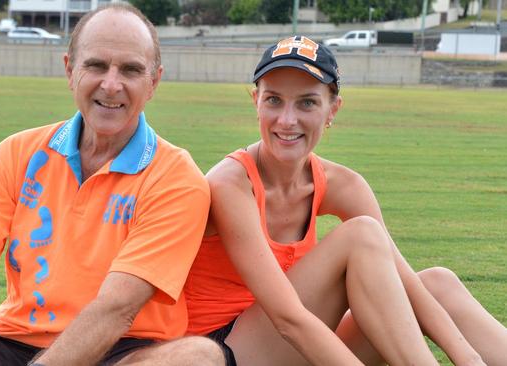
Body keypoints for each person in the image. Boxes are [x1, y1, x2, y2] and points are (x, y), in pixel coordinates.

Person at [0, 4, 225, 366]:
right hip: (13, 341)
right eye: (96, 65)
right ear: (69, 70)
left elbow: (116, 309)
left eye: (130, 70)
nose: (111, 85)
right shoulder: (15, 154)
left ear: (154, 81)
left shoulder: (176, 178)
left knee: (198, 357)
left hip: (123, 348)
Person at [184, 35, 507, 365]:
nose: (287, 120)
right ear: (256, 101)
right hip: (222, 351)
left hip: (297, 341)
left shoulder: (343, 184)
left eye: (307, 102)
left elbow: (403, 279)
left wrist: (469, 358)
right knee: (362, 236)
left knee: (436, 283)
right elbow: (287, 320)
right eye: (274, 100)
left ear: (332, 109)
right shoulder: (231, 183)